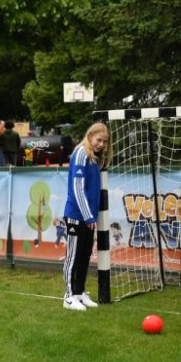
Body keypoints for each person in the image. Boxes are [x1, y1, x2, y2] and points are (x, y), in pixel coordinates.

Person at [62, 121, 112, 311]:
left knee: (84, 256)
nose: (101, 144)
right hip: (77, 216)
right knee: (73, 257)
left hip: (88, 218)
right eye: (99, 140)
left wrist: (91, 216)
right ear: (90, 136)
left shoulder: (94, 157)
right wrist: (88, 216)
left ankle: (78, 292)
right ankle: (67, 297)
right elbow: (77, 187)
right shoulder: (81, 153)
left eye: (105, 142)